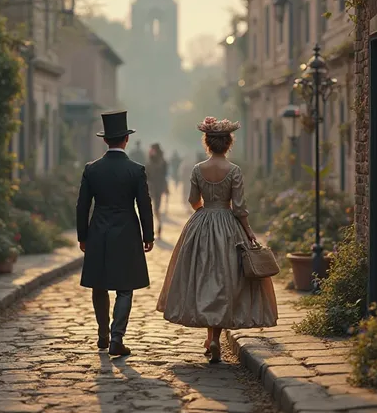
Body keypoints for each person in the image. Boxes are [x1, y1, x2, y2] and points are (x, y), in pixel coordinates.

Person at [157, 116, 278, 364]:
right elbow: (240, 207)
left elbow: (193, 200)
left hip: (202, 223)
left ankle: (210, 337)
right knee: (225, 278)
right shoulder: (234, 171)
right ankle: (215, 337)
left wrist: (203, 211)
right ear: (228, 144)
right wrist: (248, 231)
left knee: (203, 276)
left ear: (208, 143)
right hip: (228, 225)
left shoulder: (197, 169)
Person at [76, 111, 154, 357]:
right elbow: (144, 205)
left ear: (105, 140)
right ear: (126, 140)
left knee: (99, 284)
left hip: (98, 229)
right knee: (125, 286)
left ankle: (102, 334)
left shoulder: (92, 169)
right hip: (127, 231)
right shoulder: (136, 170)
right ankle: (117, 338)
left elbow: (82, 205)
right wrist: (148, 235)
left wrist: (82, 236)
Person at [146, 143, 168, 237]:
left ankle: (158, 226)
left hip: (155, 187)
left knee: (155, 209)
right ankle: (155, 227)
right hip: (153, 187)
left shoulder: (160, 162)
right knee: (152, 209)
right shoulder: (152, 162)